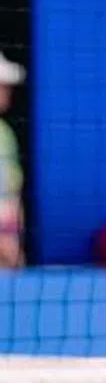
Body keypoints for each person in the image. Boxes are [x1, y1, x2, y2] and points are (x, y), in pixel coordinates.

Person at [0, 51, 25, 269]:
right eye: (2, 85)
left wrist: (13, 226)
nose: (7, 91)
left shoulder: (5, 133)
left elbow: (12, 186)